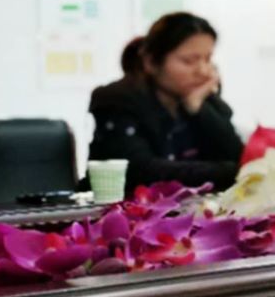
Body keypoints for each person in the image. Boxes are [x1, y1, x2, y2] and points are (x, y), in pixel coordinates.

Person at [87, 12, 243, 193]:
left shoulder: (204, 99)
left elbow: (239, 156)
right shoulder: (118, 99)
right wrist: (229, 171)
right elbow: (142, 170)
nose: (204, 71)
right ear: (151, 62)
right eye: (189, 61)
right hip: (125, 207)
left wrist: (198, 109)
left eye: (207, 59)